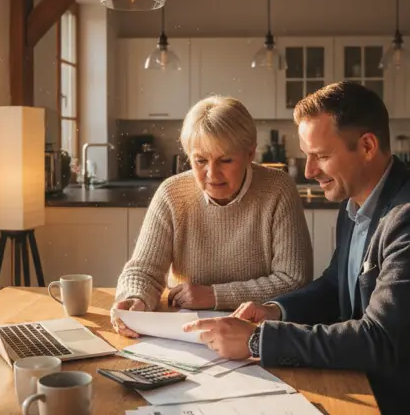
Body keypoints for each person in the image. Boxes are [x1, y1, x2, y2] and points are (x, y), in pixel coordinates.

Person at [183, 82, 410, 415]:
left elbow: (379, 340)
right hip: (380, 380)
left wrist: (256, 340)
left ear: (367, 146)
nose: (309, 172)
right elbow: (335, 284)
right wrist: (275, 311)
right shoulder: (356, 203)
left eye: (321, 156)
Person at [111, 95, 312, 338]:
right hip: (186, 334)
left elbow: (295, 280)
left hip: (256, 333)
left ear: (250, 154)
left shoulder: (278, 189)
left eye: (225, 160)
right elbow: (143, 270)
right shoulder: (171, 193)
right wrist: (135, 298)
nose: (211, 174)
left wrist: (214, 295)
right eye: (200, 160)